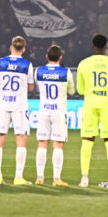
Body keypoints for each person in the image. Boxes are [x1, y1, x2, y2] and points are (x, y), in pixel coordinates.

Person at [76, 33, 108, 188]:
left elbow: (80, 90)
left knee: (87, 139)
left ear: (93, 46)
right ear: (106, 46)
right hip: (107, 105)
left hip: (90, 104)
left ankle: (84, 178)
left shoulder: (83, 64)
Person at [0, 36, 35, 185]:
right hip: (19, 105)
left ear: (11, 47)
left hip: (3, 103)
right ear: (23, 49)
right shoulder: (27, 65)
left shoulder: (1, 62)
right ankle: (18, 177)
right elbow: (31, 87)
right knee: (21, 139)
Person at [34, 44, 74, 185]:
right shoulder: (66, 72)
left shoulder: (38, 71)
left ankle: (40, 177)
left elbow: (38, 87)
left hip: (44, 110)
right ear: (60, 57)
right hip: (59, 111)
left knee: (42, 143)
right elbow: (72, 92)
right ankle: (56, 179)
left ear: (47, 56)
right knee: (58, 144)